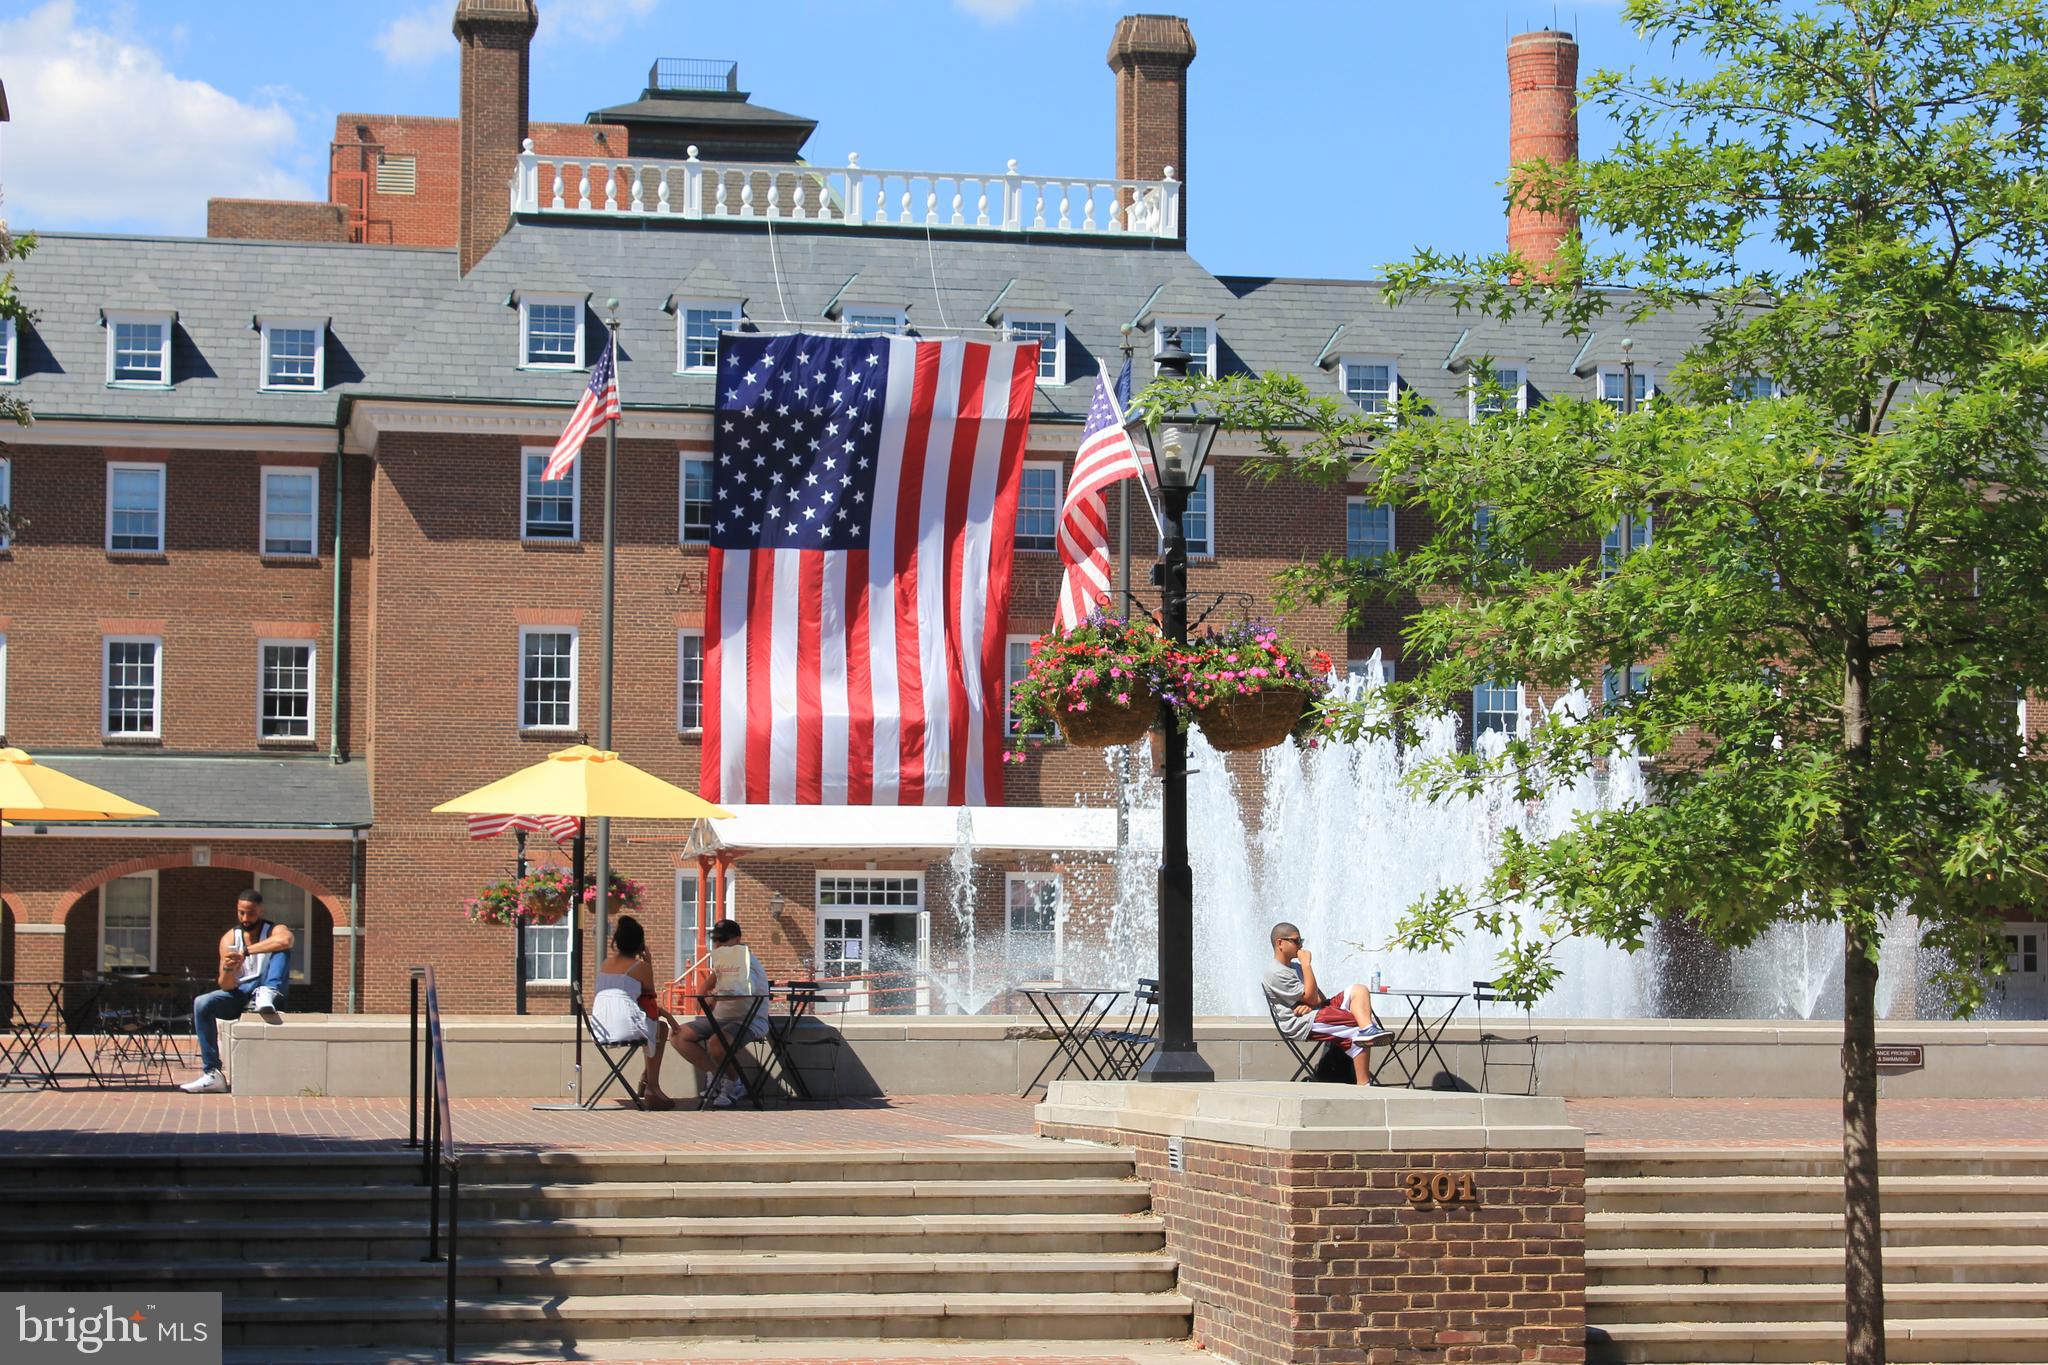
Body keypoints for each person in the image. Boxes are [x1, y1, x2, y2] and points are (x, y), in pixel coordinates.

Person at [179, 888, 294, 1094]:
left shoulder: (275, 929)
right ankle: (212, 1073)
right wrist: (228, 968)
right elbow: (226, 985)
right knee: (202, 1003)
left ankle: (266, 992)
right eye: (241, 912)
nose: (245, 918)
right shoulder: (229, 938)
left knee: (281, 950)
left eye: (250, 913)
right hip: (240, 993)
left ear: (260, 910)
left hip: (269, 991)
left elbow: (286, 940)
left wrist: (246, 952)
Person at [1262, 920, 1389, 1085]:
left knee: (1359, 989)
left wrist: (1309, 1003)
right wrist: (1307, 965)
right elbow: (1313, 997)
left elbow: (1319, 998)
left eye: (1301, 941)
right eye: (1296, 941)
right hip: (1300, 1023)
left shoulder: (1296, 967)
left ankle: (1368, 1029)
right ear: (1280, 943)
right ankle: (1364, 1084)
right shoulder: (1275, 972)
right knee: (1354, 1024)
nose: (1300, 946)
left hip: (1315, 1011)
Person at [672, 918, 769, 1107]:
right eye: (716, 940)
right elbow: (710, 981)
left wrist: (715, 997)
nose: (719, 944)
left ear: (738, 940)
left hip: (750, 1020)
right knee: (678, 1035)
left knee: (716, 1043)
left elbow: (743, 992)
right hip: (721, 1018)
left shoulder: (746, 962)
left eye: (723, 940)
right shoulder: (726, 961)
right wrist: (704, 996)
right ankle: (717, 1074)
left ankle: (735, 1083)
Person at [588, 914, 680, 1110]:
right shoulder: (641, 968)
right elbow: (650, 1004)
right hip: (623, 1027)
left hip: (599, 1028)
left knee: (655, 1028)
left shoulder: (604, 965)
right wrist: (650, 964)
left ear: (617, 942)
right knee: (660, 1029)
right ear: (640, 944)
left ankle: (647, 1079)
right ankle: (652, 1086)